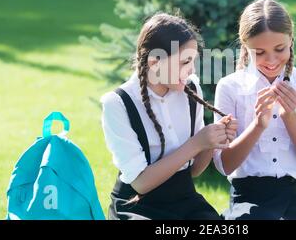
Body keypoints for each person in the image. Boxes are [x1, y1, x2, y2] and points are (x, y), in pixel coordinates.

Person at [101, 13, 237, 220]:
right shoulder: (118, 103)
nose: (191, 69)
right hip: (136, 205)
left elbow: (193, 172)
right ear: (155, 62)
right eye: (185, 61)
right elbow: (141, 184)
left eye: (193, 61)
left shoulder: (191, 90)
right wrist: (196, 144)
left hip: (183, 201)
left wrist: (212, 142)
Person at [213, 0, 296, 220]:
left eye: (279, 49)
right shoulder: (230, 87)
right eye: (259, 52)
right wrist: (258, 125)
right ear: (245, 47)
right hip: (248, 194)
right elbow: (224, 165)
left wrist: (290, 116)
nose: (271, 60)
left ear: (291, 41)